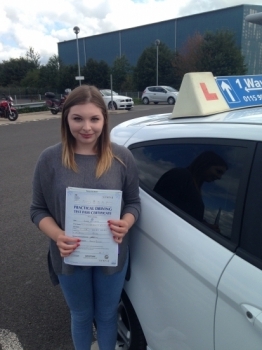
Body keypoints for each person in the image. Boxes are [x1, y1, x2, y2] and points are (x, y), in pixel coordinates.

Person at [30, 85, 141, 350]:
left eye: (94, 118)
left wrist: (126, 222)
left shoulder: (121, 157)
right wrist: (58, 236)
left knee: (106, 315)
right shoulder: (49, 160)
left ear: (104, 118)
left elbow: (134, 203)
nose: (86, 127)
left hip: (110, 254)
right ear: (66, 118)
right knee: (80, 315)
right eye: (77, 118)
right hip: (70, 255)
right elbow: (37, 210)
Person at [154, 151, 227, 230]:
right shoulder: (180, 176)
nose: (219, 177)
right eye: (218, 171)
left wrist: (204, 225)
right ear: (205, 164)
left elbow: (187, 214)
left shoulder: (195, 186)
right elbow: (160, 209)